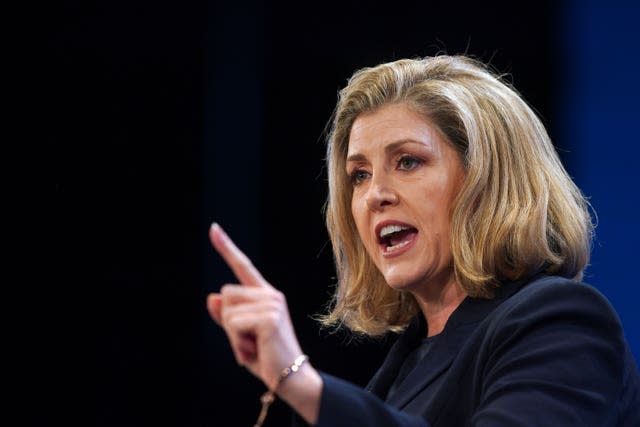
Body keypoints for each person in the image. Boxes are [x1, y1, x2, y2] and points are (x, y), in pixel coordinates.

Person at [206, 55, 640, 426]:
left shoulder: (561, 324)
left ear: (485, 180)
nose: (376, 194)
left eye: (408, 161)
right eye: (359, 175)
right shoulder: (402, 368)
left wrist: (303, 384)